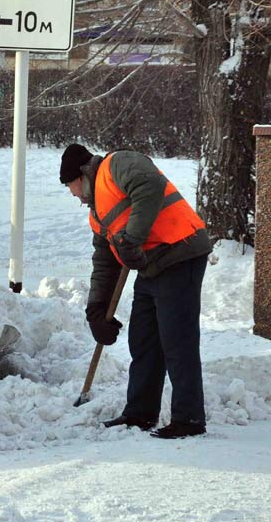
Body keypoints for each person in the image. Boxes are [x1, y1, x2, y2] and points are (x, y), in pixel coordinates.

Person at [60, 143, 212, 439]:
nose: (73, 195)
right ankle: (140, 413)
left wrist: (131, 239)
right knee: (143, 339)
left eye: (71, 186)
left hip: (180, 251)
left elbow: (149, 185)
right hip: (150, 264)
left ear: (82, 174)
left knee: (176, 340)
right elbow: (104, 264)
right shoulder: (97, 215)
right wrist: (97, 311)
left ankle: (189, 418)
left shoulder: (117, 165)